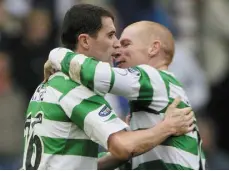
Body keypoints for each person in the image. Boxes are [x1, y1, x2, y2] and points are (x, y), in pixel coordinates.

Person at [22, 4, 194, 170]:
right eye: (111, 35)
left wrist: (135, 138)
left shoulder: (48, 85)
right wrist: (167, 127)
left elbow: (83, 165)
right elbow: (123, 147)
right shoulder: (75, 87)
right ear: (85, 41)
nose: (117, 43)